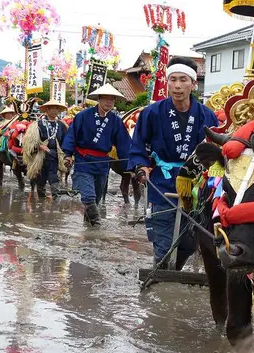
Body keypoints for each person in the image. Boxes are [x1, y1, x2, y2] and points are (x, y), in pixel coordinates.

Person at [129, 56, 219, 269]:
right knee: (163, 240)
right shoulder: (151, 113)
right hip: (163, 182)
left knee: (190, 240)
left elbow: (216, 151)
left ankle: (171, 271)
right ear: (167, 82)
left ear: (193, 83)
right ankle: (161, 276)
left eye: (183, 80)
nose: (177, 86)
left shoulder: (207, 116)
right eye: (173, 80)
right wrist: (141, 166)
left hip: (197, 185)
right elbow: (139, 145)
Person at [62, 83, 131, 226]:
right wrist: (68, 154)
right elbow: (71, 136)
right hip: (84, 161)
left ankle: (88, 229)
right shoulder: (83, 116)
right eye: (105, 99)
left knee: (96, 199)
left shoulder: (116, 121)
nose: (108, 102)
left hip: (102, 163)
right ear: (99, 99)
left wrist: (131, 166)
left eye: (111, 100)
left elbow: (124, 144)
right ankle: (98, 227)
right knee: (88, 197)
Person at [22, 99, 68, 199]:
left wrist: (67, 155)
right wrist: (40, 146)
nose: (55, 111)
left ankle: (56, 201)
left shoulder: (61, 125)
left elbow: (66, 141)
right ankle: (41, 202)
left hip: (55, 156)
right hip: (41, 157)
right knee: (40, 179)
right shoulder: (37, 124)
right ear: (47, 109)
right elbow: (29, 143)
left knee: (54, 178)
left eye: (57, 108)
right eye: (53, 108)